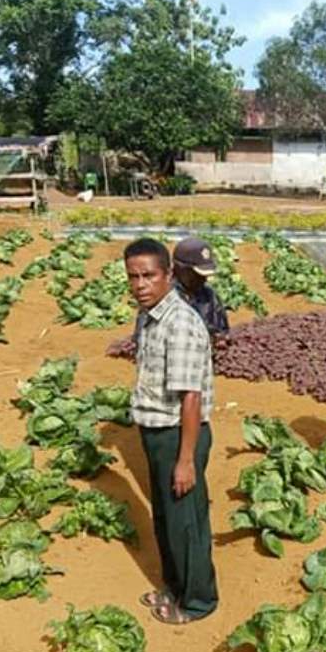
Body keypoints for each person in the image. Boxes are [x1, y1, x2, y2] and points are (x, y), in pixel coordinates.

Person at [123, 237, 219, 624]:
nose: (140, 284)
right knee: (166, 518)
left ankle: (198, 601)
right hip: (158, 432)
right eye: (134, 277)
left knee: (186, 524)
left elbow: (190, 398)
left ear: (168, 275)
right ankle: (174, 587)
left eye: (149, 276)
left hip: (179, 434)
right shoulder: (151, 316)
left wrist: (185, 460)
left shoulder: (180, 324)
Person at [106, 236, 228, 359]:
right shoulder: (160, 298)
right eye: (196, 274)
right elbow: (144, 340)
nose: (203, 279)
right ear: (179, 269)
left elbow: (222, 330)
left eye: (204, 276)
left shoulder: (209, 295)